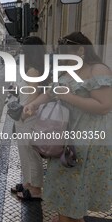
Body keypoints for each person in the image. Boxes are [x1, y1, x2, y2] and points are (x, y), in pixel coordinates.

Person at [24, 32, 112, 222]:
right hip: (64, 140)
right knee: (66, 192)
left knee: (73, 192)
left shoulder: (98, 70)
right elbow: (50, 93)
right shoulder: (69, 71)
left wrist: (67, 96)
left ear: (81, 50)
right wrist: (33, 105)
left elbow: (104, 106)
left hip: (87, 141)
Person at [10, 36, 47, 201]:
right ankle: (28, 182)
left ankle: (36, 189)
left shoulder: (33, 70)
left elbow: (34, 96)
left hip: (29, 117)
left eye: (24, 48)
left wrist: (24, 115)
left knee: (31, 154)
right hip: (24, 116)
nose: (22, 50)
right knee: (24, 152)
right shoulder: (31, 68)